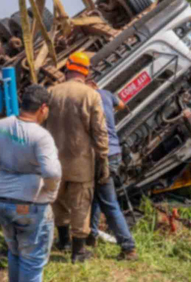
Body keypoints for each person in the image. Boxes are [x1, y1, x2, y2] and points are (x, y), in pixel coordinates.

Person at [0, 85, 61, 282]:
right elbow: (51, 171)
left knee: (15, 253)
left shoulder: (0, 126)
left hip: (4, 202)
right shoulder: (41, 136)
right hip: (32, 205)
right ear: (43, 108)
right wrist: (50, 191)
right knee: (32, 262)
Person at [46, 52, 109, 263]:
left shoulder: (51, 92)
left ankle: (62, 241)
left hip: (54, 162)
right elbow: (99, 131)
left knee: (59, 202)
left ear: (67, 68)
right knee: (81, 205)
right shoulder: (91, 95)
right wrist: (103, 158)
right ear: (86, 71)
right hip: (81, 163)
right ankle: (78, 252)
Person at [85, 80, 138, 261]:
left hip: (102, 156)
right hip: (115, 154)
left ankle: (129, 247)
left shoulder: (88, 98)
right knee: (97, 196)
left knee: (108, 202)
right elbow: (123, 105)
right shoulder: (107, 94)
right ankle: (91, 236)